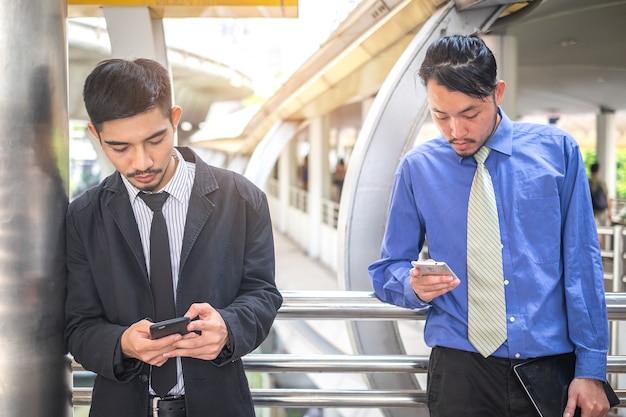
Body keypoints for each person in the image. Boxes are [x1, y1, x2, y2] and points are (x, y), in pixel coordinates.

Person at [368, 34, 610, 417]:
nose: (455, 131)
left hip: (549, 368)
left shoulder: (558, 152)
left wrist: (592, 370)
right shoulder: (417, 168)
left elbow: (582, 263)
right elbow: (387, 269)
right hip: (460, 370)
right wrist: (412, 286)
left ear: (497, 92)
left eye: (469, 113)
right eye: (440, 115)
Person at [65, 58, 283, 417]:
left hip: (220, 405)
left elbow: (262, 293)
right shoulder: (84, 217)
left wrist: (228, 328)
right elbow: (78, 325)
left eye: (155, 139)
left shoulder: (242, 198)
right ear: (95, 135)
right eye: (120, 148)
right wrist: (121, 344)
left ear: (175, 118)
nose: (142, 162)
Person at [589, 161, 612, 226]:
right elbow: (607, 197)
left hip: (592, 210)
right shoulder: (601, 182)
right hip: (602, 209)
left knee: (595, 228)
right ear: (598, 171)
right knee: (603, 228)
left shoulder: (588, 182)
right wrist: (610, 212)